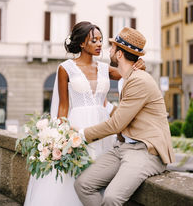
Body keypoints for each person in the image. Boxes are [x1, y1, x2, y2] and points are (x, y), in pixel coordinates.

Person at [24, 22, 145, 206]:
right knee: (72, 177)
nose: (99, 44)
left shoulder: (106, 69)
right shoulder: (65, 68)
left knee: (99, 175)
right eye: (93, 40)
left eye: (100, 40)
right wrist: (59, 137)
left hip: (103, 130)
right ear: (81, 43)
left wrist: (139, 65)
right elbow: (63, 107)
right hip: (77, 129)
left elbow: (129, 73)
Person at [74, 26, 175, 206]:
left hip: (146, 151)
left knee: (112, 197)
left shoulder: (139, 80)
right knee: (83, 184)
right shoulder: (129, 77)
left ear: (119, 54)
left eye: (112, 48)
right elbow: (125, 115)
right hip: (123, 147)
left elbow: (116, 124)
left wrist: (80, 135)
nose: (109, 50)